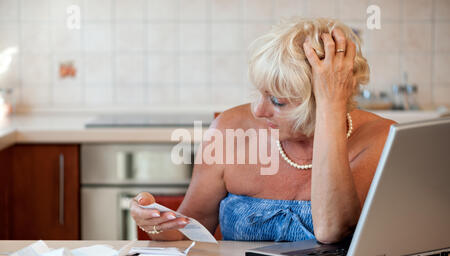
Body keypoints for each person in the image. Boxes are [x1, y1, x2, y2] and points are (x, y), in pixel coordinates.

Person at [130, 17, 395, 244]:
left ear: (327, 98)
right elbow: (192, 231)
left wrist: (330, 109)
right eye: (260, 94)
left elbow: (333, 230)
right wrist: (154, 222)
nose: (258, 110)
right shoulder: (228, 128)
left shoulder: (383, 140)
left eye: (278, 102)